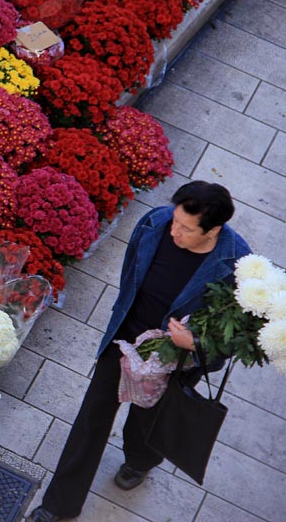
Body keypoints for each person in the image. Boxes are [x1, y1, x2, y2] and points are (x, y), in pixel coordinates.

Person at [27, 181, 251, 522]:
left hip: (173, 361)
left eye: (186, 229)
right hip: (125, 342)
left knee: (147, 424)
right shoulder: (154, 223)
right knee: (91, 421)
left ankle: (140, 461)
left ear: (214, 230)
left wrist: (195, 344)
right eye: (176, 220)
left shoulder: (237, 265)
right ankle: (59, 506)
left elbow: (239, 335)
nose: (174, 231)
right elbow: (129, 280)